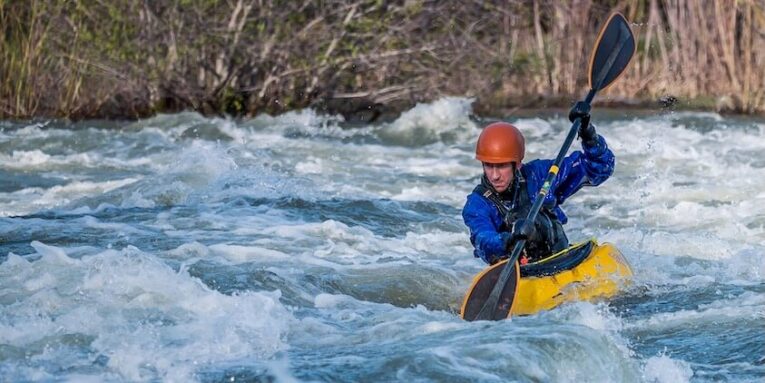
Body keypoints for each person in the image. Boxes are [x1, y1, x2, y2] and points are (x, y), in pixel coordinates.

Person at [462, 103, 615, 265]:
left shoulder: (540, 176)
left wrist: (588, 134)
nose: (494, 176)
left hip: (560, 259)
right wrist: (509, 240)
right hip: (519, 272)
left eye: (501, 166)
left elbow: (599, 167)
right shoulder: (477, 203)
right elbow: (482, 239)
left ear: (517, 164)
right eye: (488, 166)